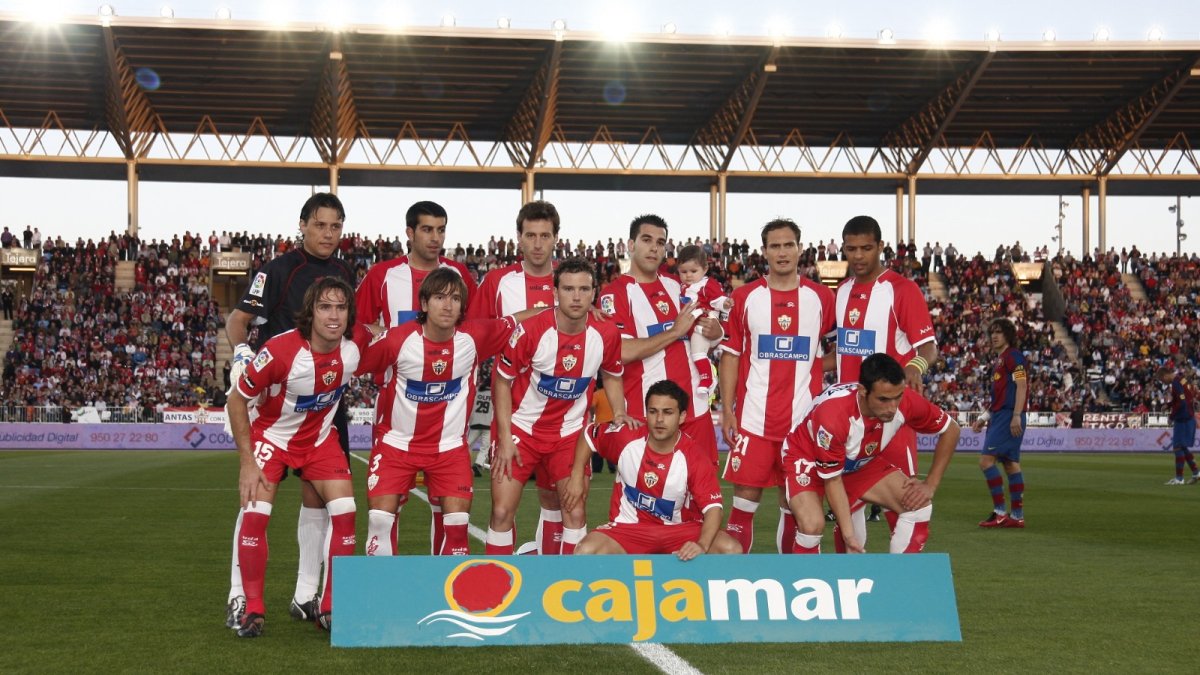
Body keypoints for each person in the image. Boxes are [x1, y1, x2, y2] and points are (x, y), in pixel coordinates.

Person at [223, 192, 355, 630]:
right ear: (302, 225)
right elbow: (238, 320)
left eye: (336, 226)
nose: (328, 234)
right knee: (255, 503)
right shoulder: (279, 269)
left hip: (324, 401)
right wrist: (243, 354)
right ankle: (240, 597)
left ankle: (306, 596)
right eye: (320, 225)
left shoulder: (343, 273)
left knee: (321, 500)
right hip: (276, 397)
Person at [357, 269, 518, 558]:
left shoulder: (474, 337)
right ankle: (379, 598)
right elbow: (353, 360)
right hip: (397, 443)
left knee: (457, 527)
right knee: (380, 520)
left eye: (455, 298)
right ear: (424, 303)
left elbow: (518, 320)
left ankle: (445, 598)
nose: (448, 305)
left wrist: (566, 309)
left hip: (449, 447)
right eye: (440, 297)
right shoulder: (397, 340)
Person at [355, 201, 477, 556]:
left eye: (441, 230)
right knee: (385, 511)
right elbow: (357, 327)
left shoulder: (458, 274)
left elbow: (475, 327)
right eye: (427, 229)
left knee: (449, 512)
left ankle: (441, 587)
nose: (435, 237)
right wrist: (382, 332)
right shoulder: (382, 275)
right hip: (396, 410)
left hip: (448, 412)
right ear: (409, 233)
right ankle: (384, 588)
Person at [486, 257, 628, 555]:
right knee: (501, 512)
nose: (576, 296)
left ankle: (566, 588)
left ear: (594, 293)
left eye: (583, 289)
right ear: (555, 293)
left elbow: (613, 377)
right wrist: (503, 437)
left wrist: (619, 413)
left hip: (570, 436)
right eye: (568, 289)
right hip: (522, 430)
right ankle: (495, 582)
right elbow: (501, 381)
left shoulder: (607, 334)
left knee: (574, 513)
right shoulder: (531, 331)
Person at [718, 219, 835, 554]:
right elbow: (731, 355)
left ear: (800, 248)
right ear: (764, 251)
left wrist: (813, 364)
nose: (782, 252)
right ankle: (734, 582)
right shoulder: (744, 298)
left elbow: (843, 348)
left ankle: (788, 582)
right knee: (743, 507)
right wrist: (727, 409)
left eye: (788, 245)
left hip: (801, 426)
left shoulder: (822, 298)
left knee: (794, 506)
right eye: (775, 246)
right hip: (754, 422)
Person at [783, 354, 959, 553]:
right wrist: (849, 535)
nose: (892, 407)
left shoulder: (906, 401)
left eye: (897, 397)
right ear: (862, 391)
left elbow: (951, 429)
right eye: (883, 399)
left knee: (919, 506)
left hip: (858, 461)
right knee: (812, 526)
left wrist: (931, 484)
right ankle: (806, 581)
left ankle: (897, 581)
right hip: (807, 456)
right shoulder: (833, 416)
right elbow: (833, 481)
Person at [832, 215, 939, 543]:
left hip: (890, 419)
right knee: (845, 512)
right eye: (851, 249)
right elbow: (843, 351)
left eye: (866, 248)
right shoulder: (842, 291)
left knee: (907, 505)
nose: (859, 256)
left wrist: (916, 367)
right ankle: (855, 585)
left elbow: (929, 347)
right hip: (849, 418)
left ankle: (902, 589)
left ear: (880, 247)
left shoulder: (901, 290)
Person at [466, 200, 565, 554]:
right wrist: (522, 320)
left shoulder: (571, 282)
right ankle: (497, 586)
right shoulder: (497, 281)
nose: (537, 243)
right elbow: (475, 334)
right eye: (530, 236)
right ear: (518, 239)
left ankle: (553, 581)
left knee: (557, 502)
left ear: (556, 239)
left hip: (563, 416)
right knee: (502, 507)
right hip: (513, 413)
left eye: (545, 236)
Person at [563, 380, 742, 558]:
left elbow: (713, 509)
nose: (659, 420)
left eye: (668, 412)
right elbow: (589, 435)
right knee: (586, 551)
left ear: (681, 417)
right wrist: (577, 475)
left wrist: (702, 545)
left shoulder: (695, 457)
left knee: (730, 549)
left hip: (678, 531)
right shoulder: (626, 437)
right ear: (646, 413)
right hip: (628, 529)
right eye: (653, 411)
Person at [599, 215, 723, 464]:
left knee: (703, 497)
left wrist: (715, 332)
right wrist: (674, 332)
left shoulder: (679, 286)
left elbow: (713, 333)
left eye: (660, 242)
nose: (654, 247)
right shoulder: (614, 293)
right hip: (647, 415)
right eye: (646, 240)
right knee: (650, 497)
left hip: (695, 411)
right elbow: (619, 351)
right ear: (631, 245)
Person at [972, 318, 1029, 527]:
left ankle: (999, 513)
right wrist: (983, 418)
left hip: (1008, 416)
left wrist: (1016, 415)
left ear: (1008, 335)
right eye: (992, 332)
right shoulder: (1000, 360)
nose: (994, 336)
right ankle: (1017, 516)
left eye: (999, 332)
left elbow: (1021, 386)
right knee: (1010, 464)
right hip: (1000, 415)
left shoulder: (1014, 356)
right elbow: (998, 397)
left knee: (986, 461)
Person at [675, 244, 731, 395]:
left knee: (697, 352)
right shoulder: (680, 286)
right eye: (684, 271)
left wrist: (725, 303)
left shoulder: (707, 284)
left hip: (704, 324)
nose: (688, 275)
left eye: (693, 271)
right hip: (692, 326)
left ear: (705, 269)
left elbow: (718, 299)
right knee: (696, 352)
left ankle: (708, 378)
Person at [1158, 365, 1199, 485]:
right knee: (1182, 446)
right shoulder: (1182, 378)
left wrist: (1171, 417)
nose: (1163, 383)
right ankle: (1196, 472)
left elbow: (1181, 403)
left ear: (1165, 376)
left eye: (1162, 380)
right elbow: (1187, 397)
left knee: (1177, 447)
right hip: (1188, 416)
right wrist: (1169, 405)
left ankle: (1179, 478)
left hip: (1183, 418)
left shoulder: (1176, 383)